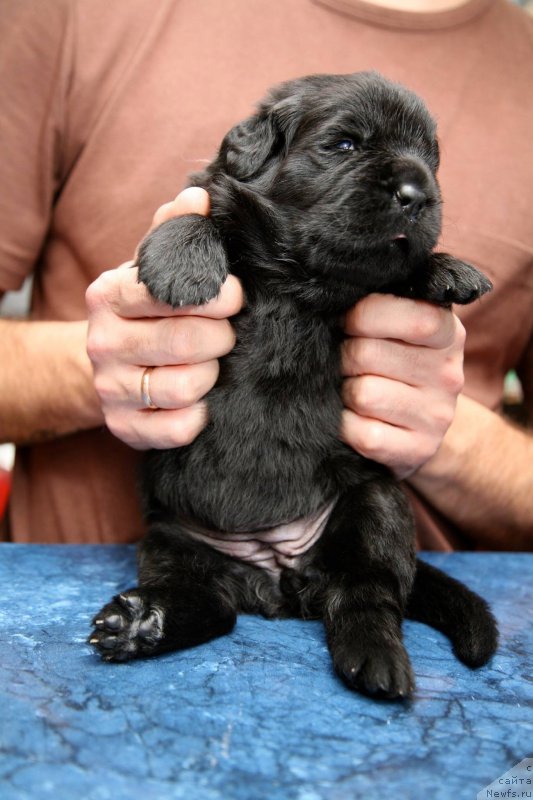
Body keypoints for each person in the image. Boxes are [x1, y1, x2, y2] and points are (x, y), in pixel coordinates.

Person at [0, 0, 532, 548]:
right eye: (345, 145)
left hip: (368, 579)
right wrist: (98, 365)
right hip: (90, 583)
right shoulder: (72, 11)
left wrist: (448, 439)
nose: (417, 188)